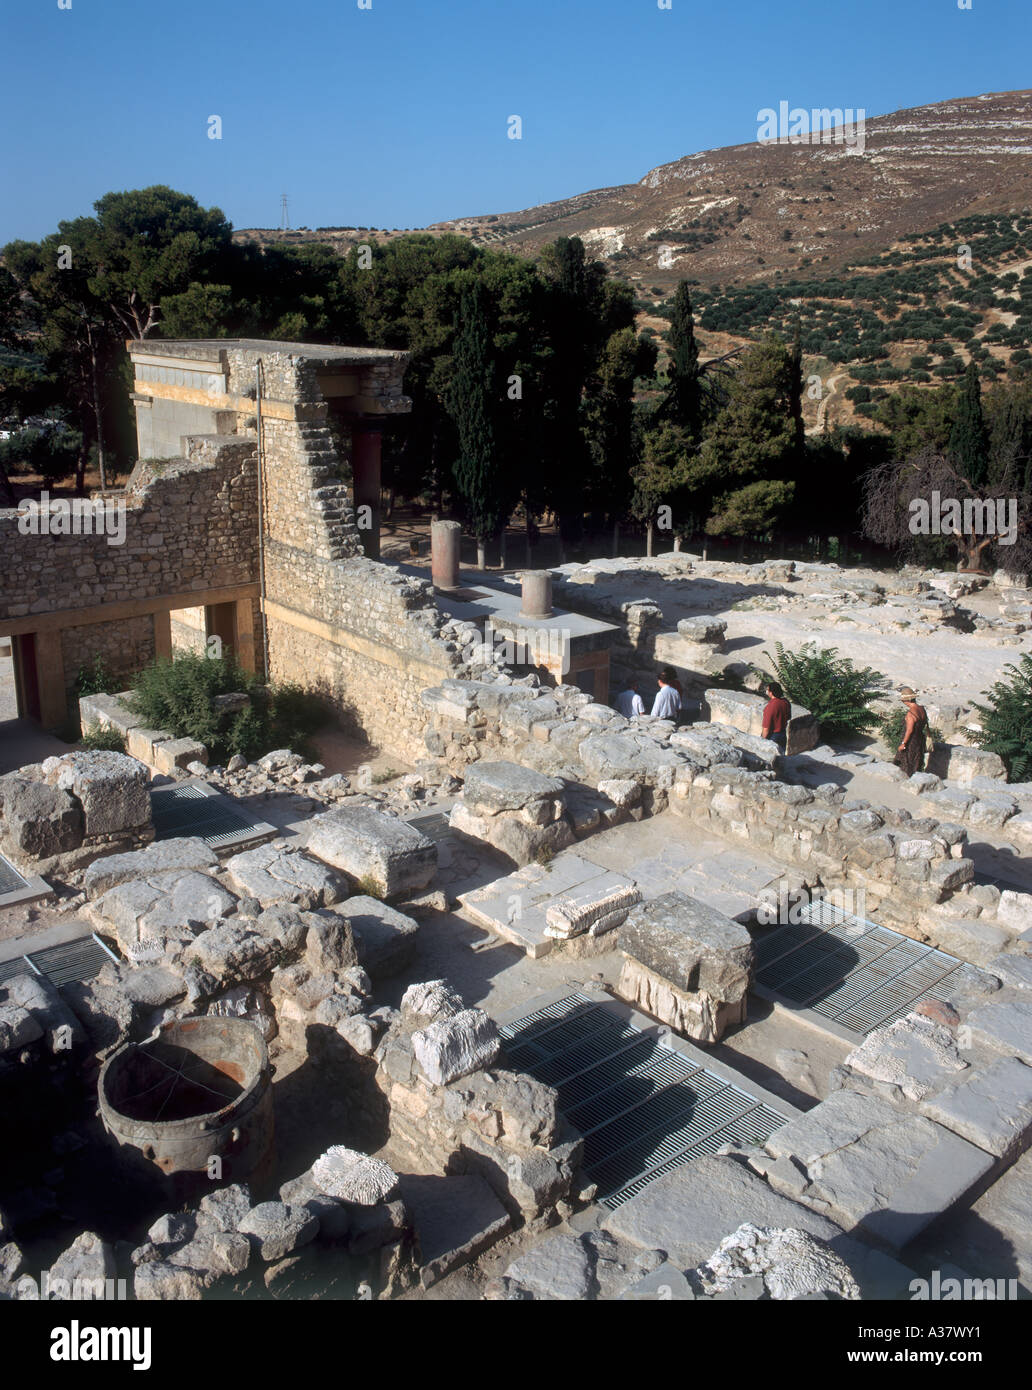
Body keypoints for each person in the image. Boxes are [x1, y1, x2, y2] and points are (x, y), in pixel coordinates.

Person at [895, 686, 928, 777]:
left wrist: (903, 743)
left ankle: (906, 780)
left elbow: (909, 730)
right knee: (917, 761)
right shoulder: (922, 709)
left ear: (907, 700)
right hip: (920, 739)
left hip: (911, 741)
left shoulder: (911, 714)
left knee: (906, 762)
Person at [761, 680, 791, 751]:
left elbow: (766, 728)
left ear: (771, 693)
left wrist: (761, 740)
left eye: (768, 690)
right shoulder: (786, 702)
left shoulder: (770, 707)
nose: (767, 691)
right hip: (783, 734)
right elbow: (788, 717)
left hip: (772, 736)